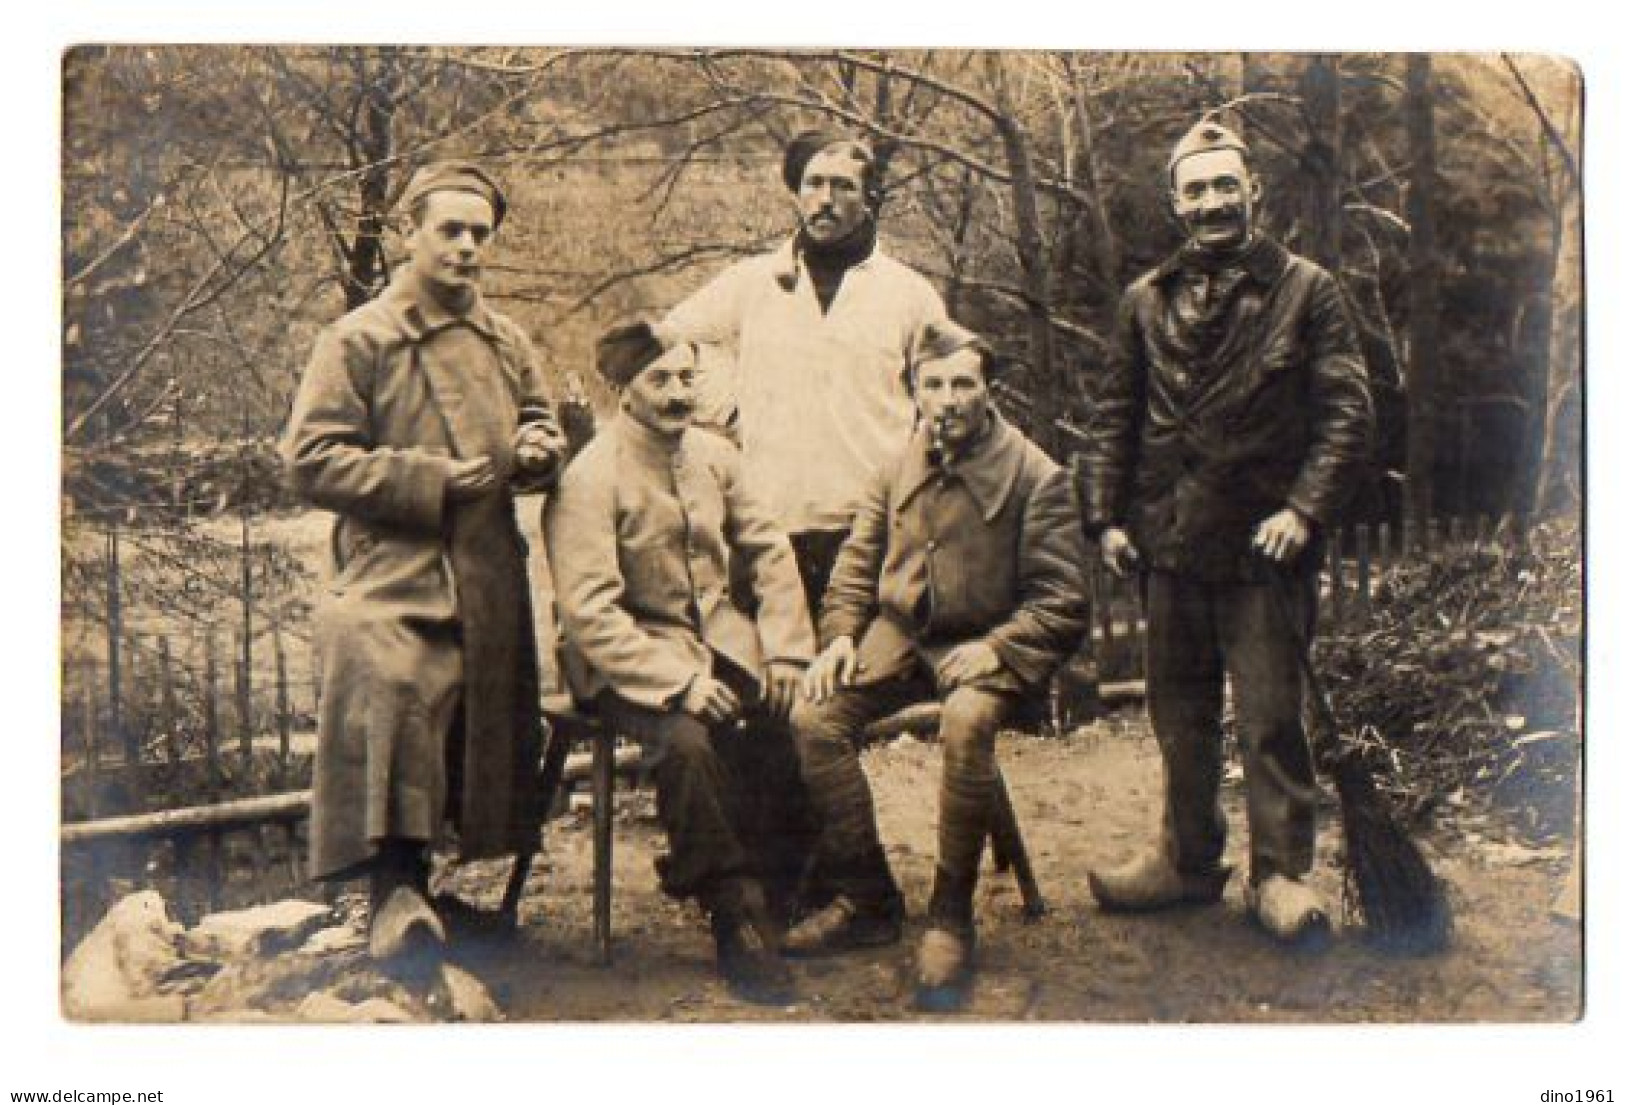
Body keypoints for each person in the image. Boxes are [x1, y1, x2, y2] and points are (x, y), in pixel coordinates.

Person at [1077, 119, 1374, 943]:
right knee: (1178, 715)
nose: (1212, 201)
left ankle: (1279, 874)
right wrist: (1103, 516)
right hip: (1166, 545)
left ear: (1254, 192)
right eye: (1195, 189)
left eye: (1224, 185)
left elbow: (1346, 415)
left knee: (1271, 719)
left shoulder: (1306, 291)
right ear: (1175, 203)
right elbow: (1113, 416)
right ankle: (1185, 858)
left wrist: (1302, 510)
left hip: (1263, 555)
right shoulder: (1144, 300)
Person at [281, 161, 567, 967]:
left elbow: (539, 422)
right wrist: (430, 478)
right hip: (389, 565)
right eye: (450, 229)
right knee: (392, 674)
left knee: (487, 711)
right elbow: (310, 460)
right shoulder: (360, 339)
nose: (468, 247)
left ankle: (454, 886)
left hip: (483, 564)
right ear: (410, 234)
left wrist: (541, 450)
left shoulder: (506, 340)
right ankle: (393, 888)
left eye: (480, 233)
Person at [785, 321, 1088, 1012]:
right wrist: (836, 636)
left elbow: (1063, 599)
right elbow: (855, 568)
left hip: (989, 648)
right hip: (897, 642)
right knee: (812, 718)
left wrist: (1000, 646)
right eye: (932, 384)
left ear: (988, 389)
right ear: (912, 391)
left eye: (962, 383)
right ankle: (866, 895)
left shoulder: (1035, 475)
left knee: (965, 718)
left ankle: (950, 915)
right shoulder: (896, 463)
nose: (946, 399)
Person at [542, 327, 818, 1006]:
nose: (676, 394)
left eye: (685, 379)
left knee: (779, 719)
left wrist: (781, 648)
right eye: (659, 381)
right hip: (620, 659)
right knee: (688, 742)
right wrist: (679, 684)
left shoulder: (714, 457)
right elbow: (590, 612)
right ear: (624, 390)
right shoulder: (590, 477)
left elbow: (769, 551)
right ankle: (732, 910)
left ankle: (783, 891)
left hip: (717, 640)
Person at [597, 128, 949, 614]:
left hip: (874, 528)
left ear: (869, 197)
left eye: (843, 186)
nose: (825, 199)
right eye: (813, 183)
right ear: (795, 192)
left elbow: (949, 388)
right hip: (772, 524)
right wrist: (730, 407)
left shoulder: (908, 293)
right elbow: (668, 341)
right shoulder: (753, 281)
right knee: (777, 674)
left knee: (862, 676)